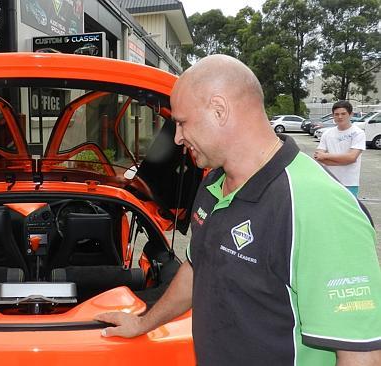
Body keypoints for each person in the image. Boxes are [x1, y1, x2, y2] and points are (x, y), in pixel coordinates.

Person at [95, 55, 381, 365]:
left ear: (219, 110)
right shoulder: (213, 184)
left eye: (181, 122)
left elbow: (360, 354)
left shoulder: (319, 205)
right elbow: (197, 269)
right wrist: (143, 322)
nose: (177, 137)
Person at [314, 100, 366, 197]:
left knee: (349, 211)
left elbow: (352, 158)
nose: (340, 117)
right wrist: (345, 160)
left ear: (351, 114)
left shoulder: (358, 133)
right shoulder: (327, 134)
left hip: (349, 183)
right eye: (336, 114)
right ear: (333, 115)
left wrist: (326, 156)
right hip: (330, 181)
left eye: (343, 113)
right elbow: (318, 157)